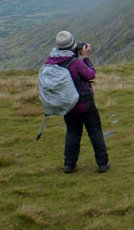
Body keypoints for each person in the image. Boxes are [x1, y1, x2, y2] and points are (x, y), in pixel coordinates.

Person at [45, 31, 109, 174]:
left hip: (67, 105)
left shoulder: (51, 61)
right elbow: (90, 74)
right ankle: (102, 163)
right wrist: (86, 57)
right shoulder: (77, 63)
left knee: (72, 133)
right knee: (95, 132)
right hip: (85, 104)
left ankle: (69, 164)